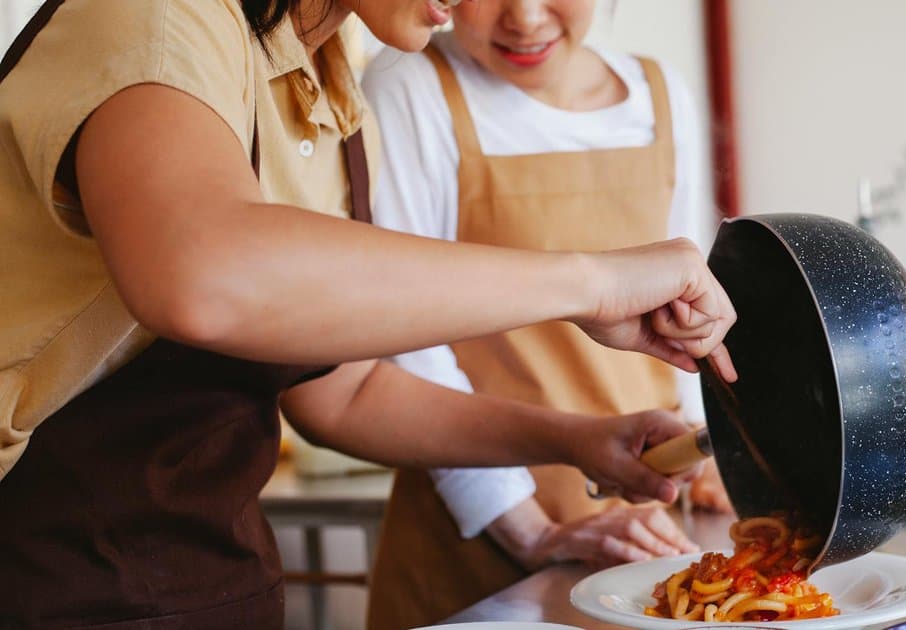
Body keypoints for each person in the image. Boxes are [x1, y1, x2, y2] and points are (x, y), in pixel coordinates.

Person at [0, 0, 736, 626]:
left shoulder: (331, 98)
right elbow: (200, 275)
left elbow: (343, 390)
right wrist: (589, 283)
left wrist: (576, 441)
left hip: (204, 583)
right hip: (39, 570)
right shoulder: (155, 16)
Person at [359, 2, 732, 626]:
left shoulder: (661, 94)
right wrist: (532, 531)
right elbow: (405, 338)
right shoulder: (408, 83)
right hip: (478, 536)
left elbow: (688, 296)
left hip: (646, 521)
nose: (526, 19)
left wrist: (704, 450)